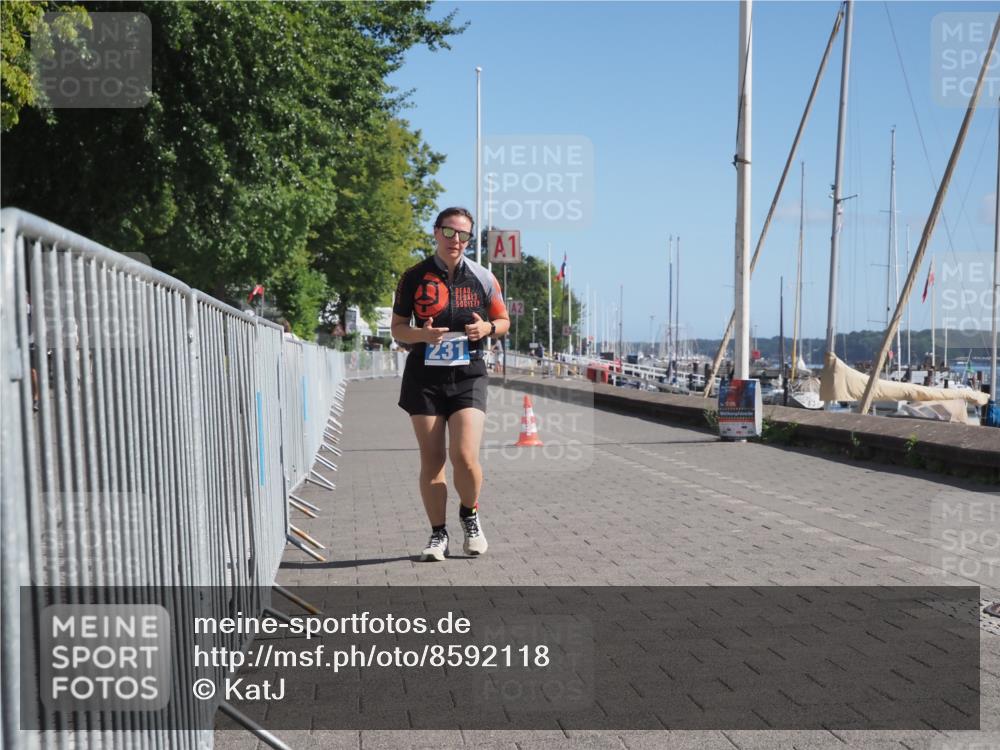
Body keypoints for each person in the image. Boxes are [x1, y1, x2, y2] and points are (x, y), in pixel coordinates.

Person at [391, 207, 511, 562]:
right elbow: (397, 329)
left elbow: (503, 320)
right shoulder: (414, 277)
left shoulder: (483, 277)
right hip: (424, 376)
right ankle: (437, 534)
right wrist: (422, 335)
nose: (456, 240)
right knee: (432, 460)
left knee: (464, 456)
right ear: (435, 232)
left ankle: (470, 515)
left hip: (468, 373)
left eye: (463, 235)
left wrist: (487, 329)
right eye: (449, 232)